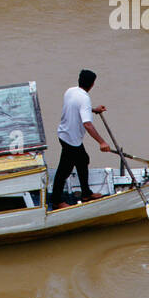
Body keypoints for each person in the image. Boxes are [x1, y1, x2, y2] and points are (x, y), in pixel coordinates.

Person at [48, 69, 111, 210]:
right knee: (64, 170)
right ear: (92, 84)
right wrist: (102, 142)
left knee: (83, 160)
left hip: (64, 134)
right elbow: (87, 124)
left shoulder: (71, 91)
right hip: (71, 140)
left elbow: (79, 108)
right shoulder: (85, 98)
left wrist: (94, 110)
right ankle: (57, 201)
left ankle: (86, 193)